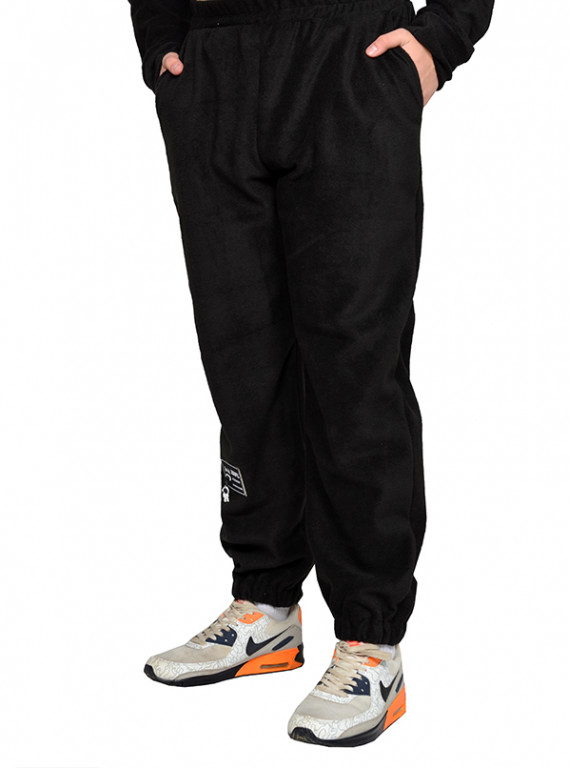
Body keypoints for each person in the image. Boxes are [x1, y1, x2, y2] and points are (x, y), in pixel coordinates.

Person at [127, 0, 494, 747]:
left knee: (355, 366)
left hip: (348, 60)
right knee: (243, 363)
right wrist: (161, 41)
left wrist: (441, 38)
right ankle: (265, 605)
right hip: (214, 68)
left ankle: (370, 642)